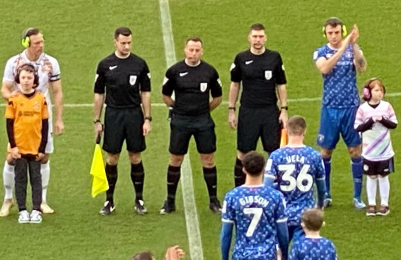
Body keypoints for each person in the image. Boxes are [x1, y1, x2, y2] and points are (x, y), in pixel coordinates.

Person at [0, 28, 64, 216]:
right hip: (20, 118)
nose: (40, 45)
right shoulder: (14, 63)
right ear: (26, 43)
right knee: (13, 156)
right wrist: (13, 99)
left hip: (42, 116)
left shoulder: (50, 63)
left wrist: (59, 118)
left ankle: (42, 200)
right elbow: (5, 88)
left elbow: (57, 91)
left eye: (42, 41)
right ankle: (8, 199)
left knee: (43, 156)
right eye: (36, 43)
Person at [160, 37, 222, 214]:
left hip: (203, 121)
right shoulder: (174, 71)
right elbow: (165, 95)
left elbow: (217, 98)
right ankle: (170, 201)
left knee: (208, 159)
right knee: (176, 159)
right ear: (185, 50)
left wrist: (203, 110)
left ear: (201, 51)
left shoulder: (209, 72)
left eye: (197, 50)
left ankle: (213, 201)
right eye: (191, 50)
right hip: (180, 121)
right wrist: (177, 108)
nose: (194, 53)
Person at [94, 27, 152, 215]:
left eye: (129, 43)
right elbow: (99, 94)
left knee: (135, 156)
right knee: (112, 157)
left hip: (134, 114)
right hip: (113, 114)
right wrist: (97, 120)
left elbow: (145, 93)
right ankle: (109, 201)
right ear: (115, 42)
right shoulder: (105, 64)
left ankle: (139, 199)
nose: (126, 46)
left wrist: (147, 118)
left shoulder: (140, 64)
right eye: (123, 43)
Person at [313, 17, 367, 208]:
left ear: (341, 32)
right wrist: (344, 48)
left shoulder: (350, 49)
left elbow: (361, 67)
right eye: (330, 33)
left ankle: (357, 196)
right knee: (326, 152)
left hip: (352, 108)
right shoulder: (320, 52)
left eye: (337, 32)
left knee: (355, 150)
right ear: (325, 33)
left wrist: (354, 45)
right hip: (330, 109)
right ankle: (325, 194)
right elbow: (325, 68)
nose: (334, 36)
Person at [228, 23, 288, 188]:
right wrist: (231, 110)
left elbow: (281, 85)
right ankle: (240, 189)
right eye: (255, 36)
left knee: (274, 152)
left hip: (269, 111)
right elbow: (234, 84)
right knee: (243, 152)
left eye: (261, 36)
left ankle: (275, 190)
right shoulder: (241, 58)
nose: (257, 40)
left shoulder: (274, 57)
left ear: (265, 38)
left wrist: (283, 109)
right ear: (249, 38)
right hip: (248, 111)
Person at [264, 116, 326, 242]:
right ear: (305, 132)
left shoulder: (276, 156)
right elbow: (322, 188)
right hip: (305, 216)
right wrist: (319, 206)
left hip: (282, 215)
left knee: (280, 253)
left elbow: (267, 188)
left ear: (286, 130)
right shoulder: (314, 155)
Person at [221, 151, 289, 260]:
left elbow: (226, 233)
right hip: (267, 255)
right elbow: (283, 232)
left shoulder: (232, 197)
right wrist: (285, 255)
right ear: (263, 169)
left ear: (244, 169)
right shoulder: (275, 196)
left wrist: (224, 258)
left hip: (241, 255)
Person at [5, 64, 49, 223]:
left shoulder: (40, 99)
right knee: (20, 179)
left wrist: (42, 148)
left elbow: (45, 125)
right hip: (20, 148)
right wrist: (13, 146)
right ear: (18, 79)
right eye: (23, 77)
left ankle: (36, 210)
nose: (26, 81)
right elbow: (9, 124)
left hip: (35, 147)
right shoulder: (14, 99)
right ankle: (22, 210)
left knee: (36, 179)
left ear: (34, 80)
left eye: (29, 78)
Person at [354, 78, 397, 216]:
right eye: (376, 90)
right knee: (371, 177)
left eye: (381, 90)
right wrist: (371, 121)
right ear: (368, 92)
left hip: (385, 150)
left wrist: (382, 119)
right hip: (369, 151)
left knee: (383, 176)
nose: (379, 93)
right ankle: (371, 204)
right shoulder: (363, 109)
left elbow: (394, 124)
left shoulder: (387, 106)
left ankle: (384, 204)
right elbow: (357, 127)